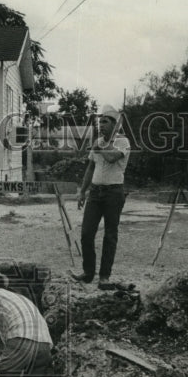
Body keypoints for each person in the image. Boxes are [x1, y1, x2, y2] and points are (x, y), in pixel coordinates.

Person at [71, 105, 130, 290]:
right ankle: (88, 273)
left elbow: (112, 158)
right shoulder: (98, 141)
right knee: (86, 233)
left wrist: (100, 147)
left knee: (110, 235)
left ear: (114, 125)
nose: (101, 125)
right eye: (100, 122)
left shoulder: (123, 142)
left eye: (105, 122)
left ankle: (104, 277)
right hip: (95, 193)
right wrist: (82, 191)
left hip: (114, 193)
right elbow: (90, 168)